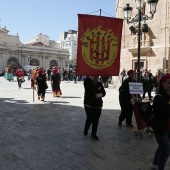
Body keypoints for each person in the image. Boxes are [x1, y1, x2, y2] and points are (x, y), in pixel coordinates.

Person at [151, 74, 170, 170]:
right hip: (160, 128)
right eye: (168, 83)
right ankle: (160, 168)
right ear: (162, 83)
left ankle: (154, 164)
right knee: (166, 150)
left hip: (168, 127)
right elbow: (166, 112)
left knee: (162, 147)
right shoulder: (159, 97)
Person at [83, 76, 106, 140]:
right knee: (90, 118)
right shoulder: (87, 82)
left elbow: (104, 93)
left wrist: (99, 95)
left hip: (98, 105)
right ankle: (86, 129)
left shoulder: (99, 84)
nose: (96, 78)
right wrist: (91, 78)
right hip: (89, 104)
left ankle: (94, 134)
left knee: (96, 120)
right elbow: (88, 89)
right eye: (95, 77)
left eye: (97, 77)